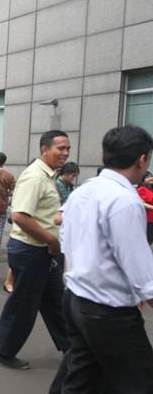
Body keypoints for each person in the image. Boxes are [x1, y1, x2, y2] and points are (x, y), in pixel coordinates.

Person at [51, 126, 153, 393]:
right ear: (142, 159)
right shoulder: (124, 201)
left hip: (76, 298)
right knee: (140, 381)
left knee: (80, 378)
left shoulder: (85, 190)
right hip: (108, 310)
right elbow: (142, 272)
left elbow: (65, 235)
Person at [0, 130, 71, 370]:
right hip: (31, 250)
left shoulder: (48, 176)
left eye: (68, 148)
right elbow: (20, 216)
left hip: (43, 251)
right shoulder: (35, 176)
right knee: (23, 306)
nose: (65, 153)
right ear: (44, 149)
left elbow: (41, 213)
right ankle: (2, 352)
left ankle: (73, 349)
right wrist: (51, 240)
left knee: (56, 301)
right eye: (60, 149)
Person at [137, 171, 153, 245]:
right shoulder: (141, 189)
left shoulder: (151, 189)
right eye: (147, 177)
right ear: (142, 179)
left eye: (151, 176)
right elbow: (142, 203)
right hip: (148, 219)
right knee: (148, 241)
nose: (151, 178)